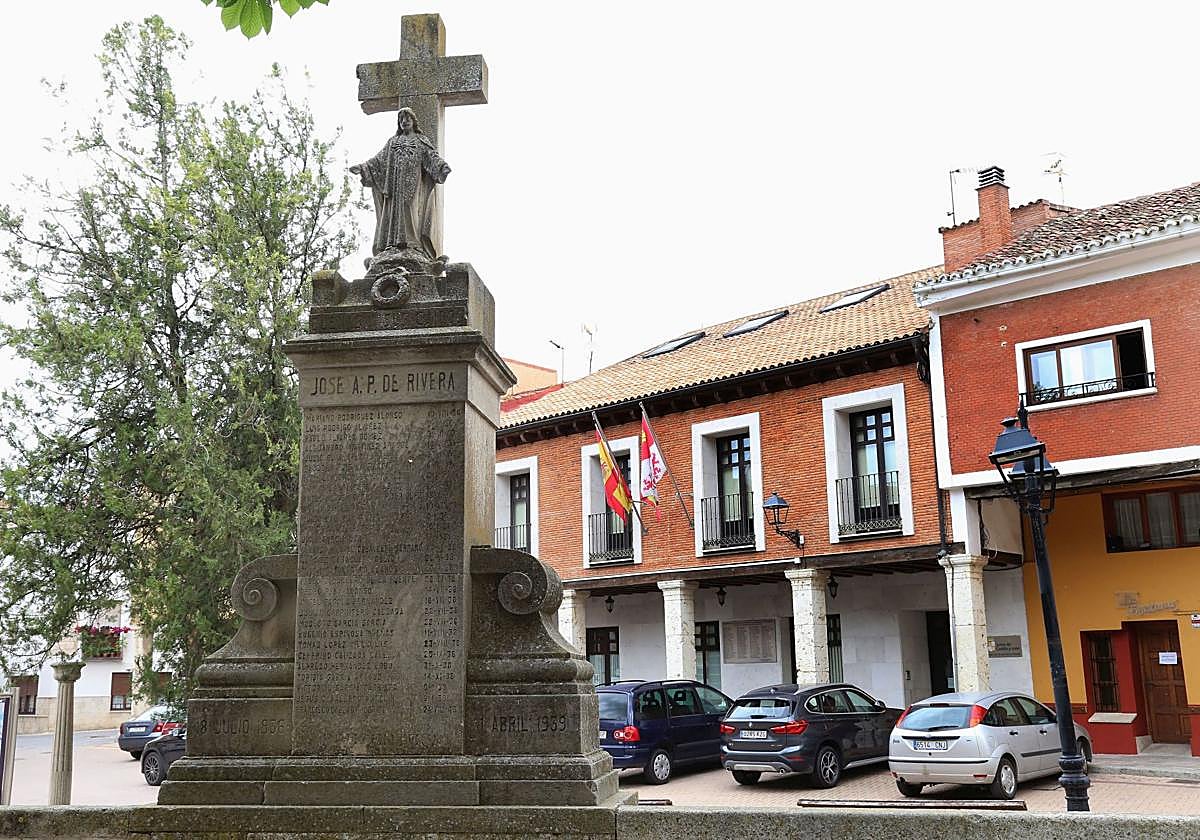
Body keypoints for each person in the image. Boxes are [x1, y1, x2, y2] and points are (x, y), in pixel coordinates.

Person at [350, 107, 451, 262]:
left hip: (413, 183)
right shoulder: (392, 142)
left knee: (409, 207)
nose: (404, 122)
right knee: (393, 211)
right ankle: (393, 243)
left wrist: (441, 167)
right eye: (401, 119)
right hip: (394, 184)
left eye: (407, 118)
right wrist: (363, 167)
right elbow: (378, 161)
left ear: (413, 121)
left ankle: (412, 243)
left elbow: (431, 156)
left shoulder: (420, 140)